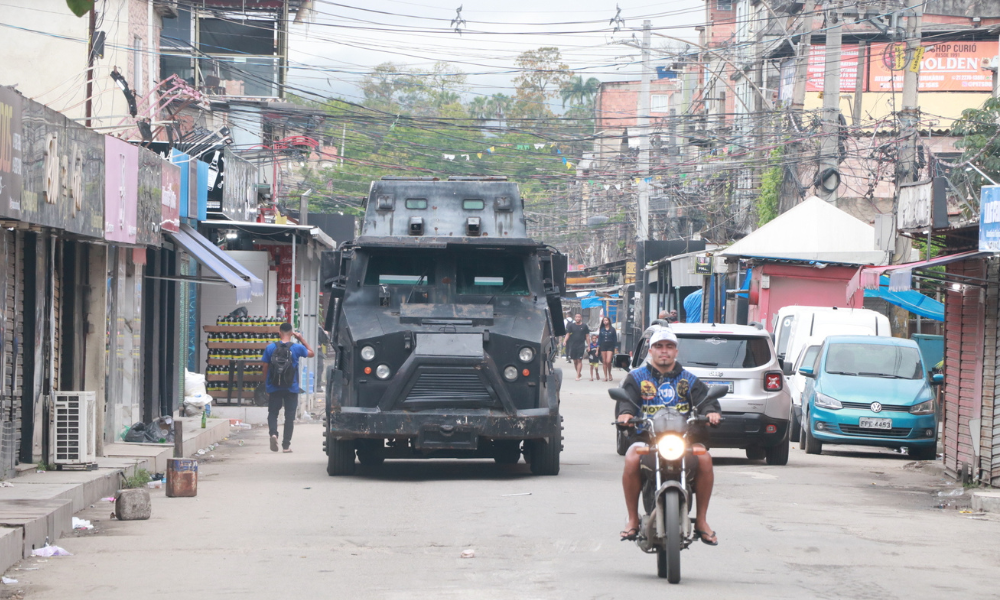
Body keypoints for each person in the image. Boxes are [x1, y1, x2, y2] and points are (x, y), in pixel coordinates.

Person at [616, 328, 721, 546]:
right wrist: (625, 414)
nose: (664, 352)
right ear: (651, 350)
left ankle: (701, 521)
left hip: (684, 441)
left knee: (705, 459)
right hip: (647, 440)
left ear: (676, 351)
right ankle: (633, 519)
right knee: (631, 457)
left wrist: (711, 412)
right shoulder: (636, 378)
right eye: (659, 347)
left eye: (669, 347)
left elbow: (706, 401)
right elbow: (627, 401)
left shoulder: (689, 380)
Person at [261, 322, 315, 453]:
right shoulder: (296, 348)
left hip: (274, 386)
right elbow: (311, 353)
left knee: (273, 413)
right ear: (291, 334)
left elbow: (265, 368)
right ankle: (286, 446)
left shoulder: (270, 348)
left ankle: (273, 434)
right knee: (289, 416)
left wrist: (266, 385)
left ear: (279, 333)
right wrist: (301, 339)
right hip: (292, 387)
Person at [563, 313, 590, 381]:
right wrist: (565, 341)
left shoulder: (584, 326)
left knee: (579, 360)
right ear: (575, 318)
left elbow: (587, 336)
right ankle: (578, 372)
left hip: (581, 345)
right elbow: (568, 334)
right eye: (576, 317)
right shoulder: (571, 326)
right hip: (573, 345)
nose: (577, 318)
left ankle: (577, 375)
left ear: (581, 318)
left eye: (579, 317)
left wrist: (589, 345)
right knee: (575, 361)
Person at [597, 316, 618, 382]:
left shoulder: (612, 329)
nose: (605, 321)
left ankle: (609, 373)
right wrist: (597, 349)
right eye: (604, 321)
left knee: (608, 361)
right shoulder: (602, 329)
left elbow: (615, 339)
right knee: (604, 361)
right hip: (603, 346)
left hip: (610, 346)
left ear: (609, 321)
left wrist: (616, 348)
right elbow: (599, 339)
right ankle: (605, 376)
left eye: (606, 320)